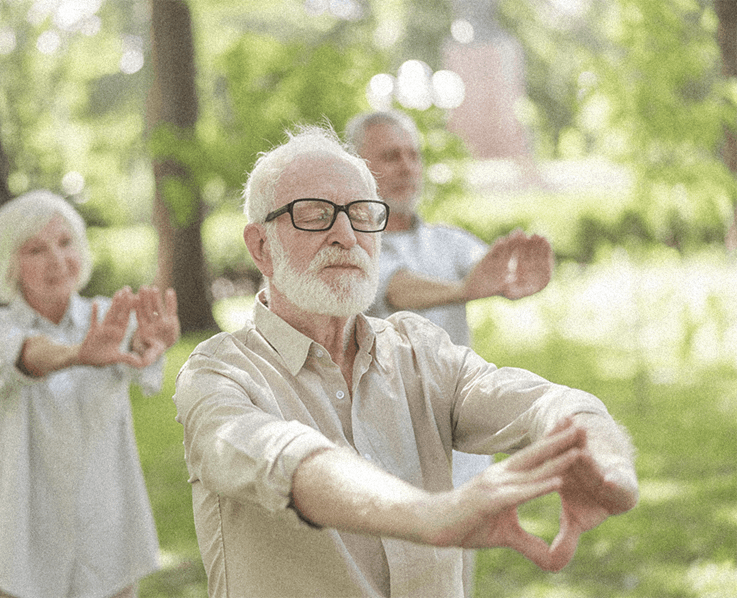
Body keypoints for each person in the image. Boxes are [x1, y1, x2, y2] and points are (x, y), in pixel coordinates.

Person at [172, 125, 638, 598]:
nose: (345, 234)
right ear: (261, 247)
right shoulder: (218, 373)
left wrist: (606, 460)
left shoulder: (419, 351)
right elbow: (285, 459)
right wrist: (428, 515)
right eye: (314, 215)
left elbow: (546, 403)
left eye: (361, 214)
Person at [345, 109, 555, 596]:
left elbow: (491, 271)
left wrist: (514, 276)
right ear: (356, 166)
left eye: (413, 155)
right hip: (376, 452)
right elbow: (397, 290)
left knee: (452, 584)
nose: (407, 165)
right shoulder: (351, 244)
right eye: (391, 155)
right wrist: (465, 289)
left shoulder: (448, 240)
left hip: (453, 453)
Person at [0, 190, 180, 598]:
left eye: (64, 243)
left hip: (108, 545)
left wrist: (152, 345)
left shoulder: (108, 318)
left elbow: (141, 361)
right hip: (27, 549)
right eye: (36, 250)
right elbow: (28, 354)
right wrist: (79, 354)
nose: (57, 261)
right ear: (9, 261)